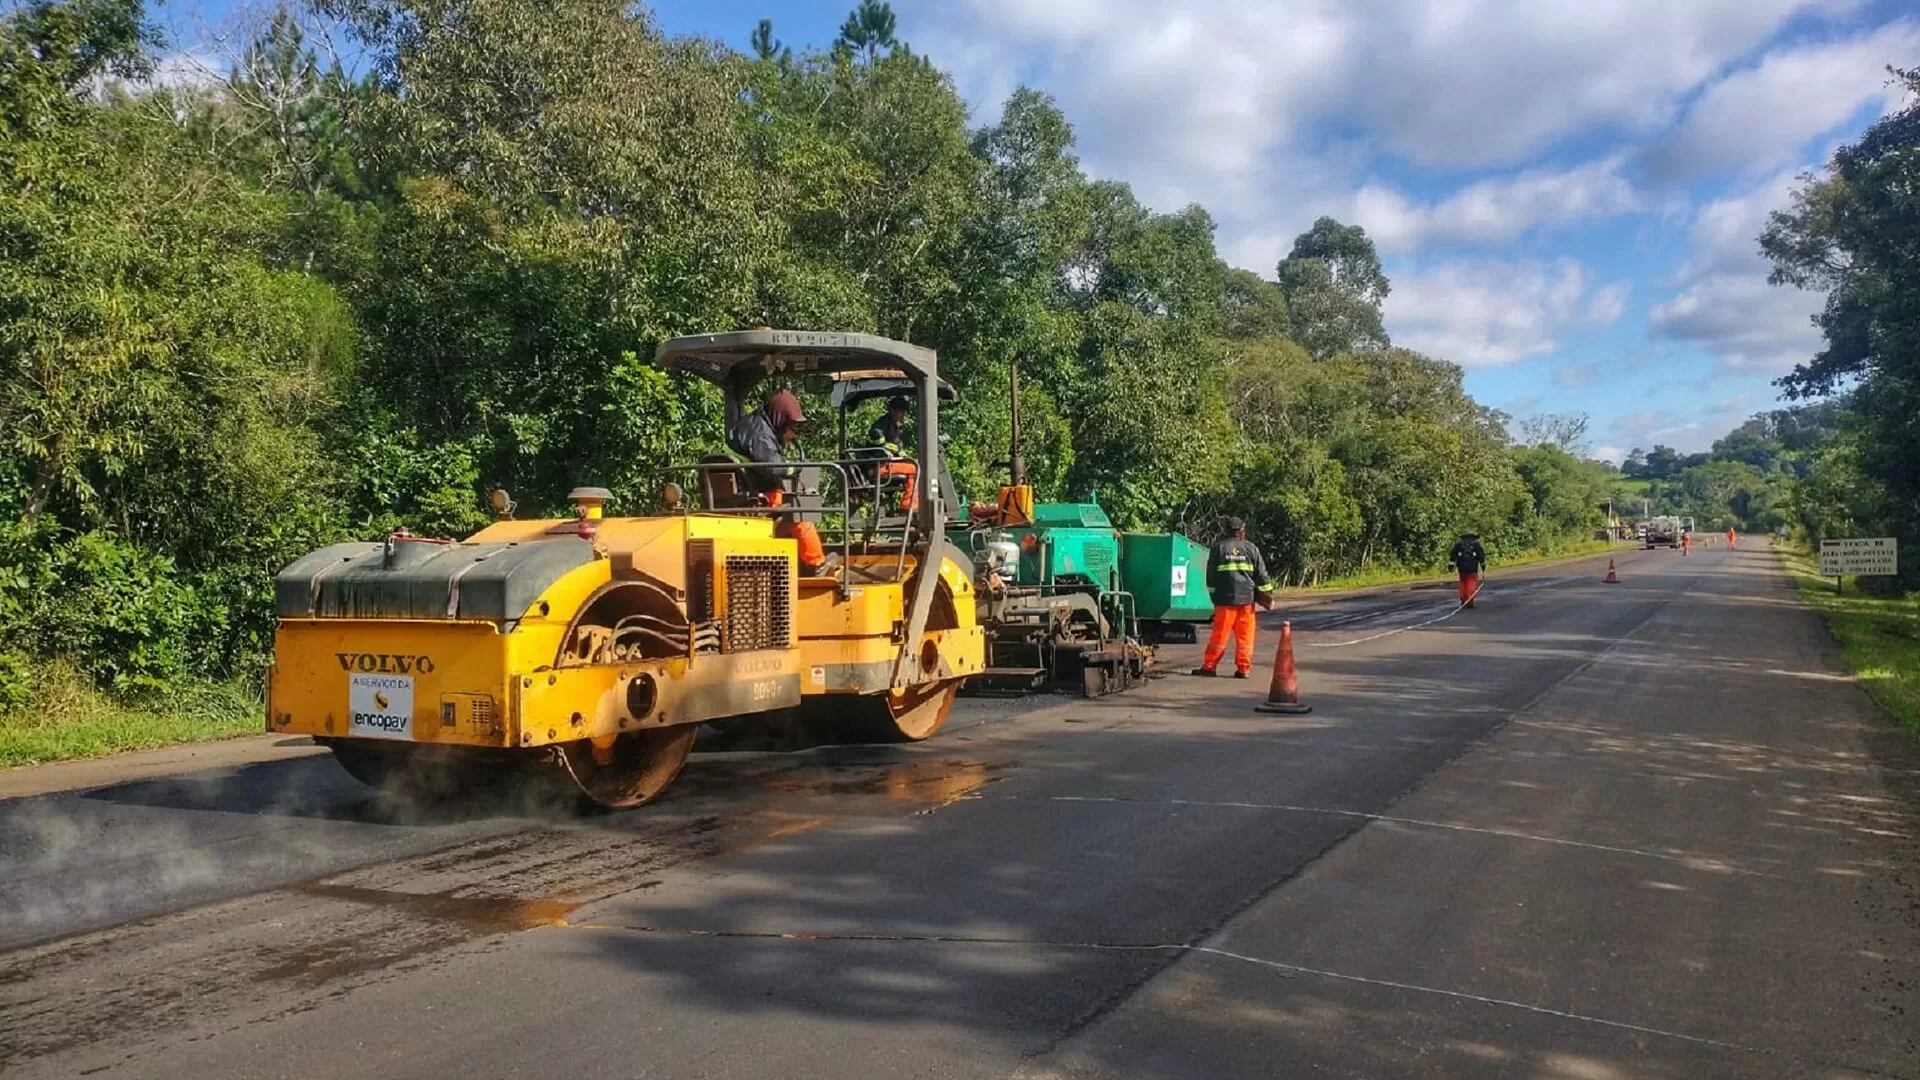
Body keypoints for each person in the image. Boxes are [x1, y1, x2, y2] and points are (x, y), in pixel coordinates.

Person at [727, 388, 828, 573]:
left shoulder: (750, 427)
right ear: (781, 418)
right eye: (790, 426)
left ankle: (796, 561)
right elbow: (773, 466)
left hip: (748, 493)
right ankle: (816, 564)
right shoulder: (760, 435)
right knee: (800, 513)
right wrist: (794, 468)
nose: (792, 432)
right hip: (759, 499)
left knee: (793, 503)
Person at [1194, 517, 1274, 679]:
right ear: (1242, 530)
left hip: (1225, 600)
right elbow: (1262, 575)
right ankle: (1244, 669)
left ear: (1226, 530)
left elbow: (1211, 576)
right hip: (1246, 601)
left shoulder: (1218, 548)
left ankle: (1209, 667)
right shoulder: (1251, 549)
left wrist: (1213, 596)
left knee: (1220, 635)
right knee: (1245, 637)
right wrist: (1268, 595)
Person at [1448, 533, 1487, 608]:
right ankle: (1469, 601)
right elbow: (1481, 556)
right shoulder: (1476, 545)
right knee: (1471, 583)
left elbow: (1452, 555)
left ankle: (1463, 599)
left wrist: (1451, 565)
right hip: (1472, 568)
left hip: (1461, 567)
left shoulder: (1459, 545)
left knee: (1463, 583)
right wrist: (1483, 566)